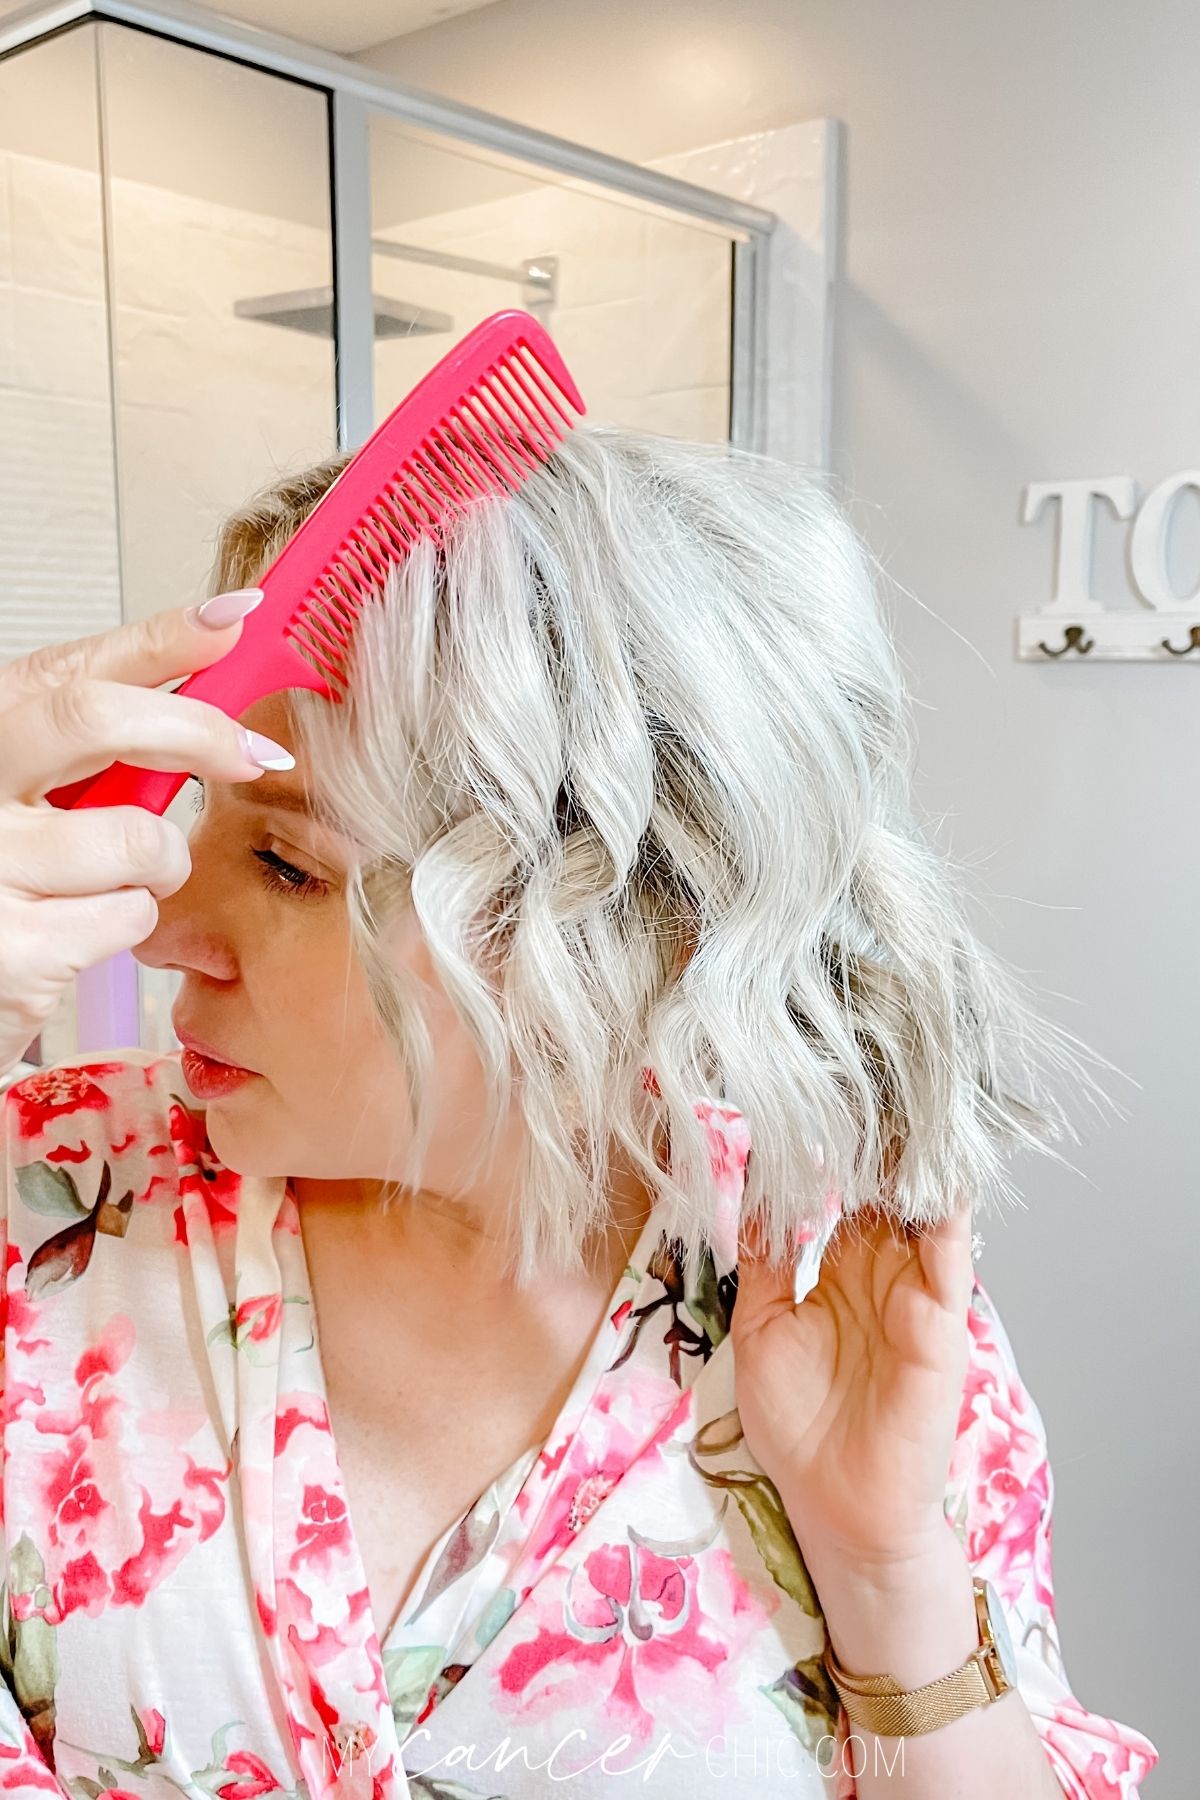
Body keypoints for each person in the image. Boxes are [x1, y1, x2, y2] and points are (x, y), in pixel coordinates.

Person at [0, 426, 1158, 1799]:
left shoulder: (833, 1297)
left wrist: (889, 1569)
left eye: (291, 865)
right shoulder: (44, 1199)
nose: (162, 930)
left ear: (625, 926)